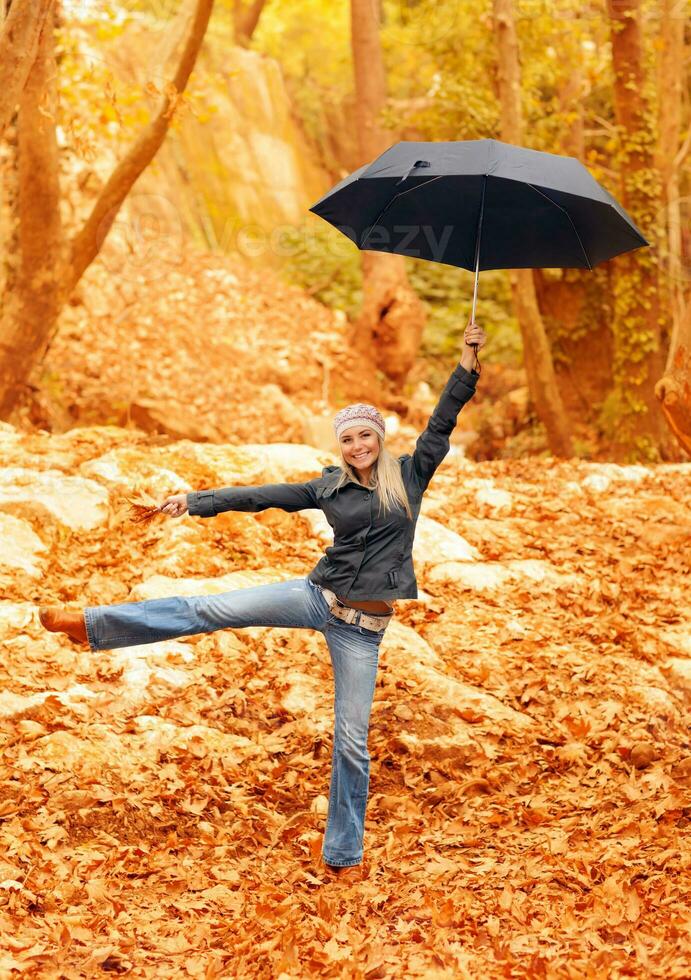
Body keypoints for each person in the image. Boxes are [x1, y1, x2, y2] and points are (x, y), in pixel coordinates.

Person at [39, 320, 486, 881]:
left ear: (379, 438)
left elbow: (441, 425)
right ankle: (93, 624)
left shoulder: (409, 475)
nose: (357, 446)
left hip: (362, 631)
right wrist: (193, 502)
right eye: (347, 439)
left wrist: (466, 368)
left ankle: (343, 855)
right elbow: (258, 496)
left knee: (351, 742)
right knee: (209, 609)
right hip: (315, 596)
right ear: (340, 447)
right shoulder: (327, 487)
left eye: (364, 436)